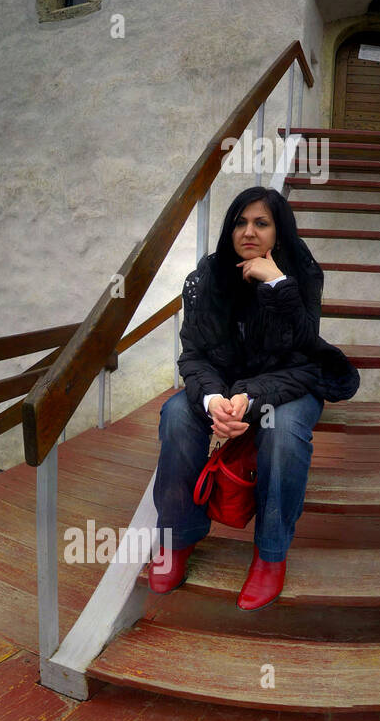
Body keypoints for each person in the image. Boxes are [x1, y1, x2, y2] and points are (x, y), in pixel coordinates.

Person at [144, 186, 360, 610]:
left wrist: (276, 284)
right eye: (240, 223)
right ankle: (179, 537)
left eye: (261, 223)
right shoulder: (206, 279)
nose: (248, 231)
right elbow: (195, 355)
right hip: (224, 387)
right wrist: (212, 401)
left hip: (292, 384)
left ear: (278, 233)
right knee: (176, 416)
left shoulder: (301, 273)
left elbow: (303, 355)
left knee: (281, 431)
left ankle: (270, 554)